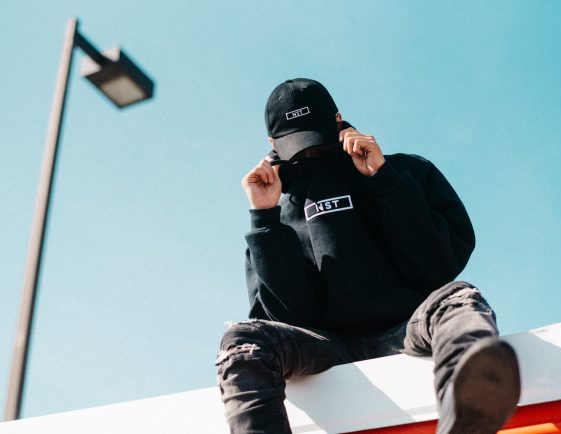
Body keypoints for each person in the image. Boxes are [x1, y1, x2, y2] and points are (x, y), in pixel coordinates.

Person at [216, 78, 521, 434]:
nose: (312, 154)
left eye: (318, 140)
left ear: (338, 121)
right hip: (325, 348)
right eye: (298, 147)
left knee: (457, 300)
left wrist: (383, 178)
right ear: (273, 145)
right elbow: (285, 318)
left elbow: (439, 266)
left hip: (407, 327)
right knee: (243, 341)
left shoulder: (405, 172)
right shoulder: (276, 216)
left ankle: (468, 421)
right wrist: (265, 218)